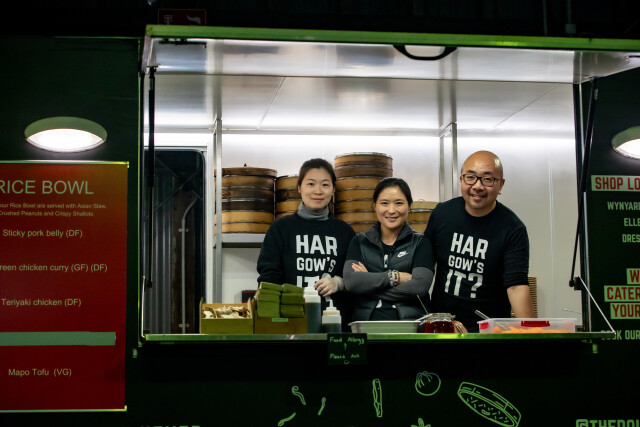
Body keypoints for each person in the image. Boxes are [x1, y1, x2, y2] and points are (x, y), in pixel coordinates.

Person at [425, 150, 534, 332]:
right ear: (461, 180)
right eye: (470, 177)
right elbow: (425, 267)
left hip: (489, 331)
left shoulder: (513, 229)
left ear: (501, 185)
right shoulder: (442, 214)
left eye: (487, 179)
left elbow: (516, 287)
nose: (477, 186)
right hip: (443, 328)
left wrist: (532, 334)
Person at [256, 158, 355, 325]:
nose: (318, 191)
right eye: (310, 184)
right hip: (290, 322)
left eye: (325, 185)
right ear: (299, 187)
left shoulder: (345, 232)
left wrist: (338, 283)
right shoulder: (280, 229)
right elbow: (269, 277)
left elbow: (356, 278)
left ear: (333, 189)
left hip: (335, 323)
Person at [342, 177, 435, 321]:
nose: (391, 210)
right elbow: (351, 282)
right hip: (364, 325)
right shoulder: (359, 242)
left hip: (410, 326)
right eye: (384, 203)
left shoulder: (420, 243)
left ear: (409, 206)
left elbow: (419, 287)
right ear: (375, 206)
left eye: (399, 203)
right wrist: (395, 277)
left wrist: (368, 284)